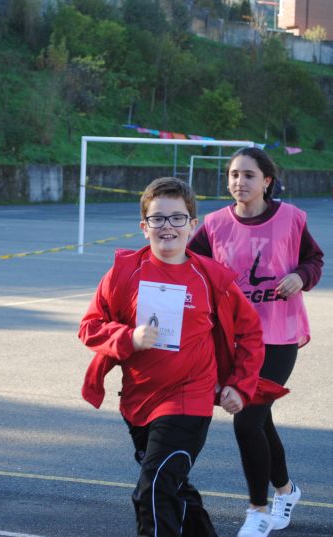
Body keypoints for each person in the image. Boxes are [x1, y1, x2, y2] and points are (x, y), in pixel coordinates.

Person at [79, 177, 269, 537]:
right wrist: (127, 337)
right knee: (173, 488)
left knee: (153, 490)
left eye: (177, 218)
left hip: (189, 400)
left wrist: (240, 385)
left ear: (192, 224)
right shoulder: (124, 273)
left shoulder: (211, 278)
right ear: (144, 226)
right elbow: (90, 327)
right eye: (158, 218)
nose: (168, 226)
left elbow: (251, 333)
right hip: (138, 401)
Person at [189, 147, 324, 537]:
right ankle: (286, 490)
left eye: (248, 175)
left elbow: (314, 260)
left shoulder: (291, 218)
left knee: (247, 419)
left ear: (267, 181)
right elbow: (189, 264)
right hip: (234, 339)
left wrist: (300, 276)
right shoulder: (214, 224)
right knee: (260, 420)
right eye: (233, 174)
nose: (239, 182)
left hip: (278, 336)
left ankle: (258, 511)